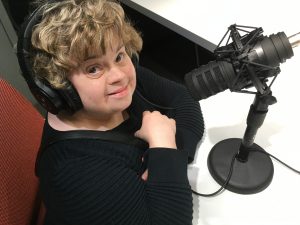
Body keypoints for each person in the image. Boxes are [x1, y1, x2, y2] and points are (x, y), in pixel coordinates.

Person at [22, 0, 204, 224]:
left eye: (119, 55)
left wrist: (167, 162)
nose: (120, 75)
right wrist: (163, 145)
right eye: (93, 69)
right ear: (59, 87)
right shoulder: (80, 176)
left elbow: (183, 98)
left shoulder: (115, 84)